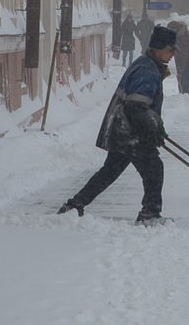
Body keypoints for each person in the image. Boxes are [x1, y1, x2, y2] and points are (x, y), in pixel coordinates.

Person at [58, 25, 178, 225]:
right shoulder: (147, 70)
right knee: (154, 168)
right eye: (170, 49)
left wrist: (155, 125)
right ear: (158, 48)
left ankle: (74, 205)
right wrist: (151, 129)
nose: (173, 54)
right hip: (130, 132)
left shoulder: (147, 64)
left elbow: (141, 107)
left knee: (110, 172)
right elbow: (136, 106)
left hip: (123, 129)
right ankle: (149, 214)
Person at [168, 20, 189, 94]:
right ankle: (182, 95)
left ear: (175, 29)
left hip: (188, 61)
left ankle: (185, 96)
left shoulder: (183, 37)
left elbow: (184, 54)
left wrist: (181, 69)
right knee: (181, 78)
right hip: (181, 61)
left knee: (185, 79)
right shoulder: (178, 36)